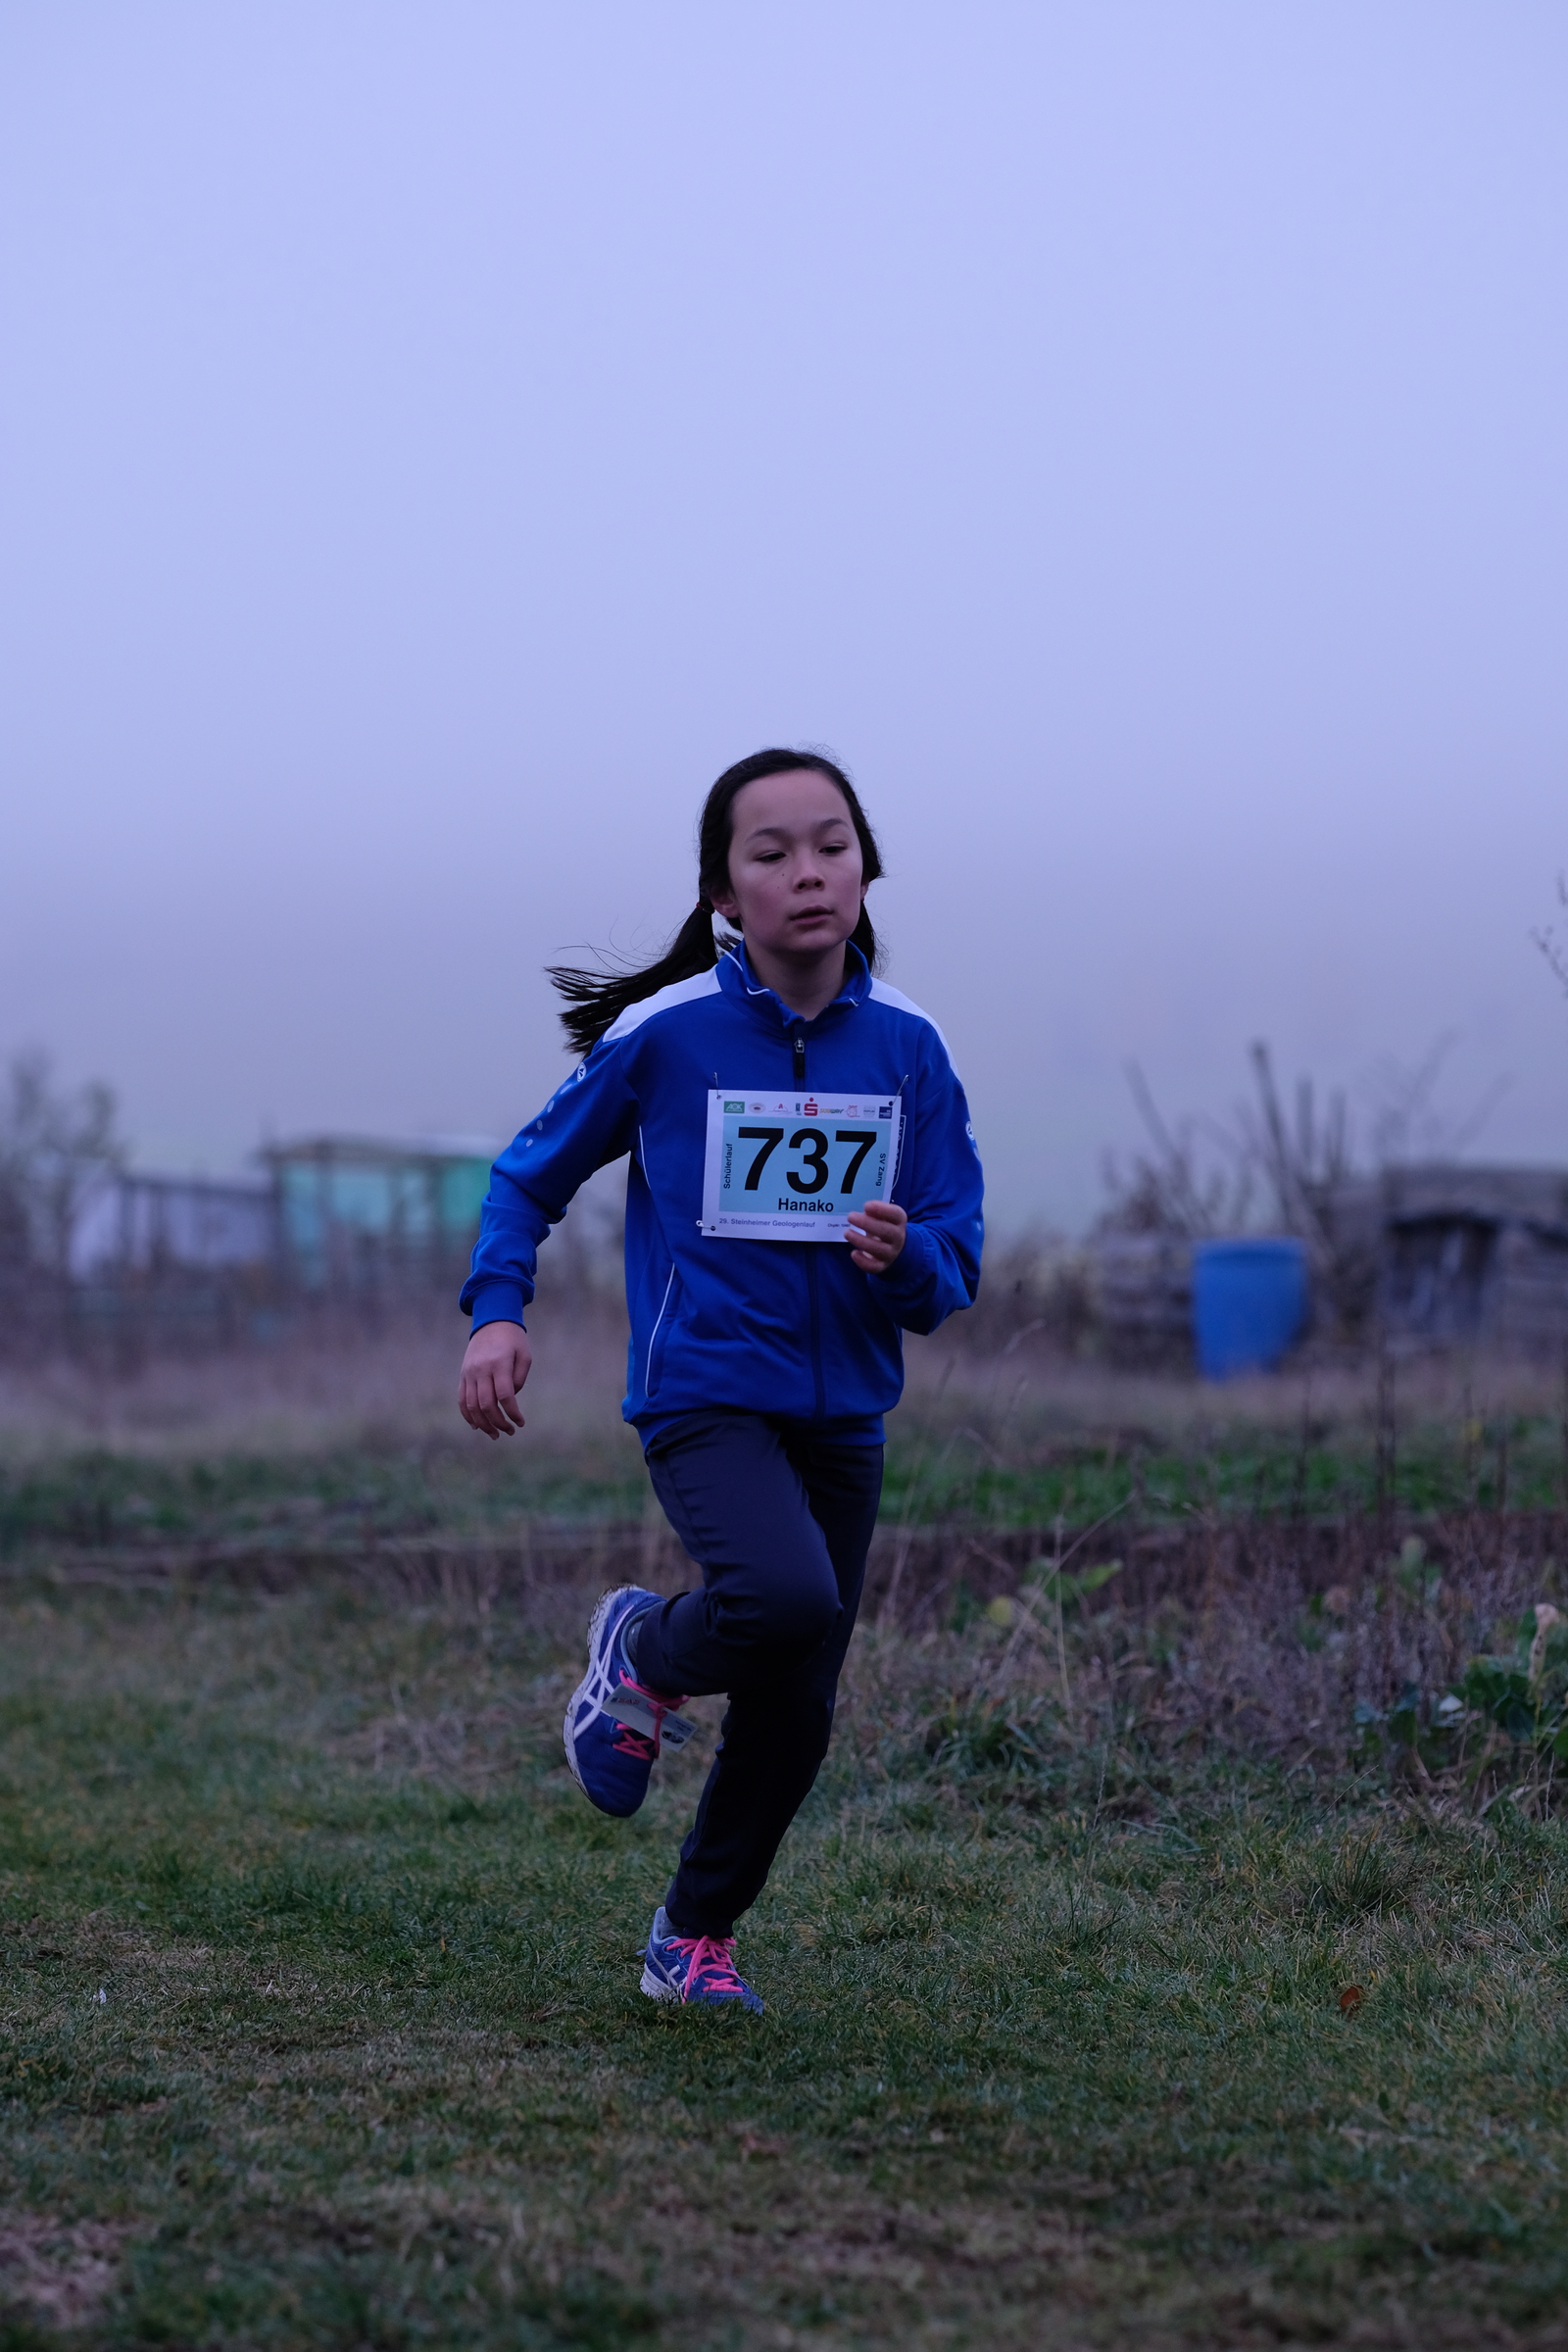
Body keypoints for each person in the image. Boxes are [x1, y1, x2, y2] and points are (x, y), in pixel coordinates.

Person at [458, 749, 983, 2011]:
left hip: (845, 1409)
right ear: (722, 892)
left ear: (866, 872)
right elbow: (526, 1178)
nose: (808, 873)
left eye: (832, 846)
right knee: (786, 1596)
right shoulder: (668, 1034)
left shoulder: (910, 1049)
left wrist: (907, 1256)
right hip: (703, 1391)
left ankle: (691, 1937)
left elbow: (953, 1261)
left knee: (799, 1701)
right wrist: (497, 1313)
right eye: (772, 852)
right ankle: (643, 1647)